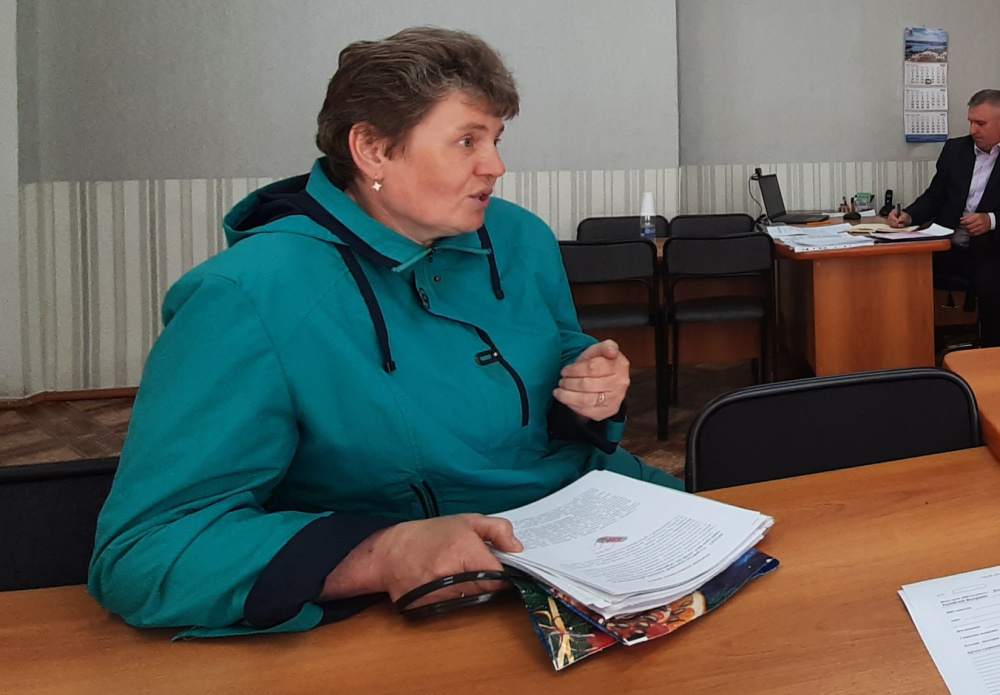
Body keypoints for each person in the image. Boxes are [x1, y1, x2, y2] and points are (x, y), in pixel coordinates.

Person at [88, 27, 683, 637]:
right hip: (448, 588)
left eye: (496, 139)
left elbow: (550, 344)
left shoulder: (519, 236)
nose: (496, 166)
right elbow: (147, 552)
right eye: (467, 141)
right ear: (372, 149)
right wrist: (382, 554)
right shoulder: (245, 296)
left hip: (595, 518)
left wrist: (589, 381)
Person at [888, 89, 1000, 345]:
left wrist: (991, 220)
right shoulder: (955, 149)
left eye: (980, 123)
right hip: (949, 246)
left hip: (993, 252)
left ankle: (990, 356)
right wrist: (909, 215)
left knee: (991, 286)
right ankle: (909, 347)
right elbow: (935, 196)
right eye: (970, 121)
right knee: (900, 272)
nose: (972, 130)